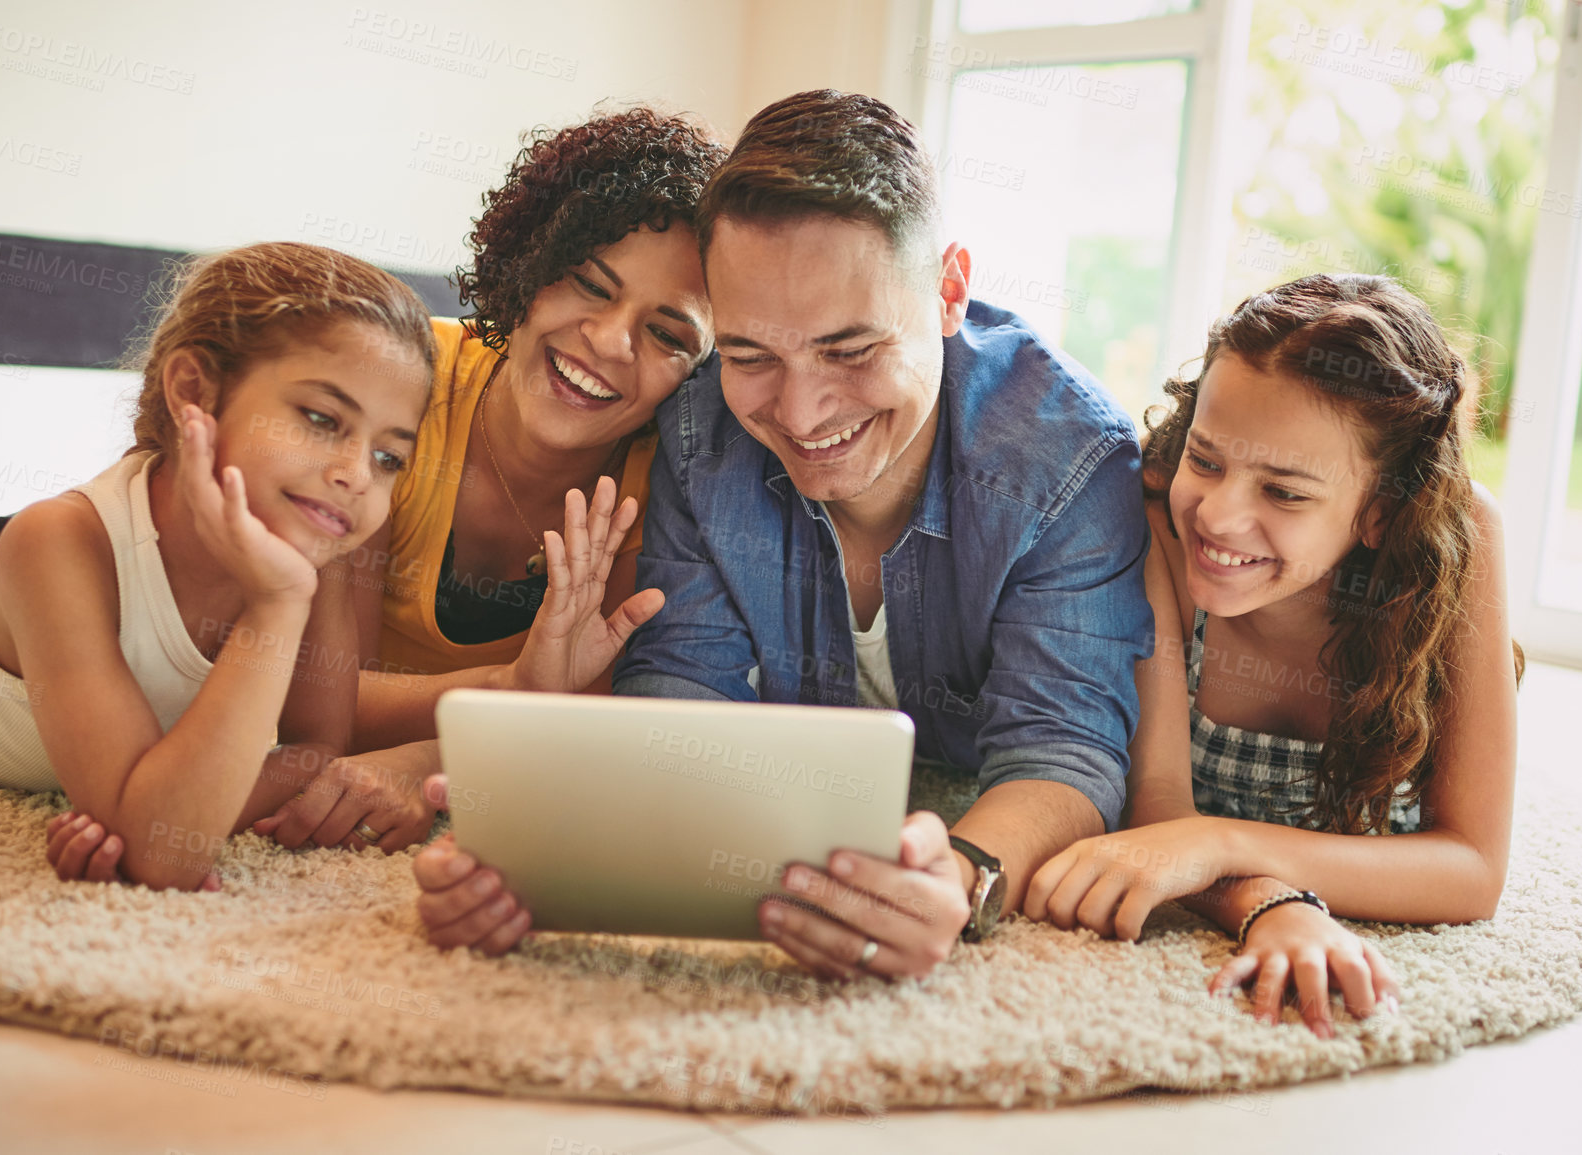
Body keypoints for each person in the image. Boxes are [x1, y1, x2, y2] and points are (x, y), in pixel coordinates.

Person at [412, 90, 1156, 977]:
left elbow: (1064, 749)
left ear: (949, 290)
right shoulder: (695, 430)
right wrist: (559, 843)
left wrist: (958, 877)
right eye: (751, 355)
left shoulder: (1067, 458)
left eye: (850, 350)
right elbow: (683, 691)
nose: (800, 413)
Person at [49, 109, 725, 863]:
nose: (608, 340)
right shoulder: (393, 397)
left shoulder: (675, 482)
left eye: (669, 335)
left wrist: (433, 759)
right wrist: (508, 695)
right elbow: (314, 693)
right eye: (588, 285)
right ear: (532, 266)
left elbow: (595, 714)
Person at [1024, 274, 1519, 1036]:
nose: (1218, 515)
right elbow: (1160, 818)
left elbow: (1471, 869)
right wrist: (1273, 903)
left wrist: (1219, 840)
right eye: (1208, 459)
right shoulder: (1153, 521)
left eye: (1284, 494)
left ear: (1380, 512)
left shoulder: (1462, 539)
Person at [0, 242, 434, 890]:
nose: (354, 474)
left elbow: (317, 748)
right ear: (192, 389)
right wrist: (279, 602)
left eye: (389, 458)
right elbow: (162, 852)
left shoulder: (318, 547)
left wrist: (175, 806)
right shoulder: (56, 541)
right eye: (321, 418)